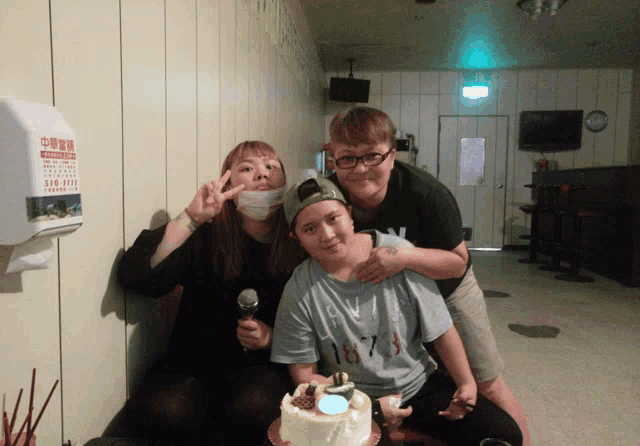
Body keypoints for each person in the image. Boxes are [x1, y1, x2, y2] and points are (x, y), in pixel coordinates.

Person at [325, 106, 530, 445]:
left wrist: (404, 257)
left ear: (392, 155)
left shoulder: (426, 193)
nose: (360, 169)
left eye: (372, 156)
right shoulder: (328, 195)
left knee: (485, 381)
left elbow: (457, 263)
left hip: (445, 290)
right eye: (348, 158)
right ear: (334, 158)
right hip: (378, 302)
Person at [270, 177, 522, 446]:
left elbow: (441, 328)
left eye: (334, 218)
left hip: (417, 387)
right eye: (310, 229)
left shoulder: (396, 255)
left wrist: (466, 383)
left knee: (502, 434)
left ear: (350, 215)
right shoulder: (299, 290)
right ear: (296, 238)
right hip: (351, 398)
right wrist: (367, 408)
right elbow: (304, 376)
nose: (327, 234)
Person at [118, 141, 307, 445]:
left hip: (260, 368)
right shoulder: (206, 235)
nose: (262, 173)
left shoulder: (300, 242)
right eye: (247, 168)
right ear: (228, 184)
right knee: (164, 413)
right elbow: (138, 277)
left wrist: (272, 337)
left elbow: (318, 323)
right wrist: (192, 218)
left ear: (285, 182)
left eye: (271, 166)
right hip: (190, 365)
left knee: (255, 408)